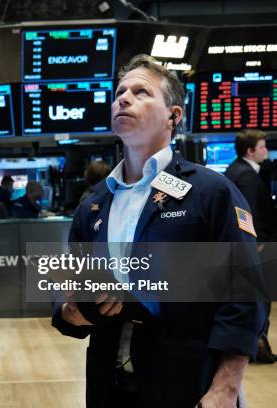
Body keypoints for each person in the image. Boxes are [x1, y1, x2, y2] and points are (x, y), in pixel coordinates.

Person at [51, 54, 265, 408]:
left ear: (173, 115)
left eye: (141, 92)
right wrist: (68, 310)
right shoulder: (94, 204)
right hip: (109, 384)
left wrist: (226, 387)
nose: (123, 98)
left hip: (188, 383)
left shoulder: (212, 191)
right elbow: (70, 292)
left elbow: (245, 291)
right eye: (120, 91)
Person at [226, 129, 276, 363]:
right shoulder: (246, 176)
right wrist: (252, 242)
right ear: (250, 151)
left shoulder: (237, 170)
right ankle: (255, 346)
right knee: (257, 299)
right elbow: (247, 211)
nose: (266, 150)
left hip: (245, 246)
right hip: (254, 247)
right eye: (263, 146)